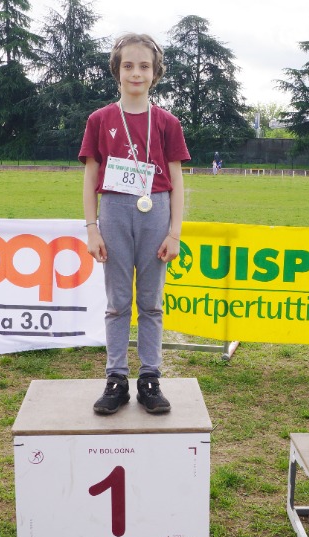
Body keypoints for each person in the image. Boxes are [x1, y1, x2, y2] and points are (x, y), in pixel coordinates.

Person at [80, 33, 189, 415]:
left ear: (155, 72)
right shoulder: (100, 120)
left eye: (144, 66)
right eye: (128, 65)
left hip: (155, 210)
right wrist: (91, 227)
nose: (136, 73)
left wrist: (174, 232)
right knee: (118, 302)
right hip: (113, 210)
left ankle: (150, 378)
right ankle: (116, 378)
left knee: (151, 302)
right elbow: (90, 176)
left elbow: (176, 180)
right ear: (117, 70)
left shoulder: (168, 122)